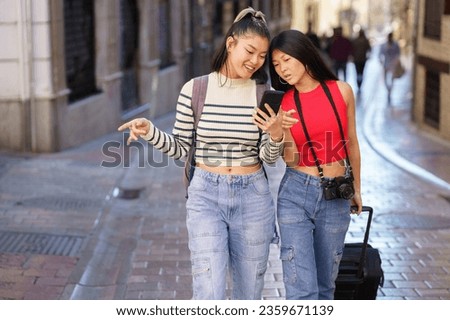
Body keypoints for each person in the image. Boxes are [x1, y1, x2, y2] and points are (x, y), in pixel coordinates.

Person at [118, 8, 295, 300]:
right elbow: (180, 149)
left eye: (262, 56)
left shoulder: (262, 93)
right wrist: (149, 130)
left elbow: (267, 157)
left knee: (249, 295)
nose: (254, 61)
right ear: (230, 44)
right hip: (205, 196)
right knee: (208, 292)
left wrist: (276, 135)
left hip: (253, 198)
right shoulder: (195, 89)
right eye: (250, 51)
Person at [268, 29, 363, 300]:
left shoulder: (341, 91)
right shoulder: (283, 103)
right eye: (276, 65)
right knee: (301, 290)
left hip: (335, 194)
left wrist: (356, 187)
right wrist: (280, 131)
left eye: (286, 60)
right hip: (295, 193)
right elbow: (290, 159)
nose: (282, 69)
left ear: (304, 54)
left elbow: (352, 143)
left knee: (325, 287)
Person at [378, 32, 401, 103]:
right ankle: (388, 90)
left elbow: (398, 54)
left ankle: (390, 91)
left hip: (393, 65)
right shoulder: (384, 45)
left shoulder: (396, 45)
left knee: (392, 79)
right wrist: (381, 61)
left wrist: (396, 61)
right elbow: (380, 54)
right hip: (386, 64)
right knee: (385, 79)